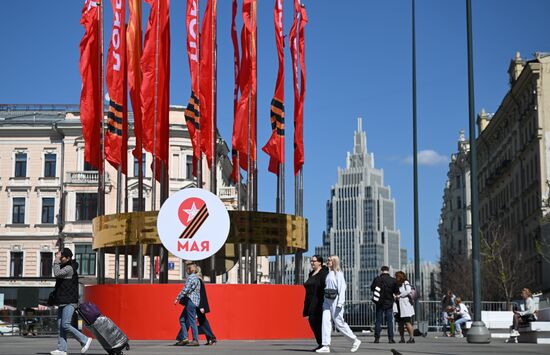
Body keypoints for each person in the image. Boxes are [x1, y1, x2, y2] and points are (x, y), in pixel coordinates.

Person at [50, 248, 92, 355]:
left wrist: (56, 259)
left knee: (65, 325)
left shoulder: (69, 268)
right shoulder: (65, 266)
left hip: (70, 301)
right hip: (62, 300)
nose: (60, 258)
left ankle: (85, 339)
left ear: (68, 258)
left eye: (62, 257)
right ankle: (62, 349)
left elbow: (57, 273)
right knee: (60, 326)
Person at [317, 255, 361, 353]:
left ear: (334, 262)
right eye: (327, 260)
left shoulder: (339, 274)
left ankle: (355, 340)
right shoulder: (328, 273)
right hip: (327, 301)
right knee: (325, 322)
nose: (327, 261)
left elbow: (342, 289)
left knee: (339, 323)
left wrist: (340, 303)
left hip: (336, 301)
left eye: (329, 260)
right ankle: (325, 345)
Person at [303, 255, 328, 351]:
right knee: (313, 322)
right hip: (310, 301)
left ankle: (323, 343)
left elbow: (324, 287)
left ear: (320, 262)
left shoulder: (323, 273)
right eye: (311, 261)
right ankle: (321, 343)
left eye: (314, 261)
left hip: (318, 301)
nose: (312, 263)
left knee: (316, 321)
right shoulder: (311, 273)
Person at [174, 262, 201, 346]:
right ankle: (185, 338)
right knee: (182, 319)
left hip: (191, 301)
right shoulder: (197, 278)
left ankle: (195, 340)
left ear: (190, 269)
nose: (186, 271)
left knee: (192, 321)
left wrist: (177, 298)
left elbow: (186, 289)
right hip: (194, 301)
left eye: (186, 269)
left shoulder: (191, 278)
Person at [370, 265, 399, 344]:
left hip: (379, 302)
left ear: (381, 271)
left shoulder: (377, 279)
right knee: (390, 321)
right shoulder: (393, 280)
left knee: (378, 321)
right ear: (388, 271)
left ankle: (377, 338)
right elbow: (396, 291)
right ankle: (390, 338)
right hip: (389, 303)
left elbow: (372, 288)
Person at [196, 266, 217, 345]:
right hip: (200, 305)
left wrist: (201, 306)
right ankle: (210, 339)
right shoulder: (200, 280)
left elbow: (201, 294)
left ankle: (212, 338)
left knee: (203, 322)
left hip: (199, 305)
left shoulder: (198, 280)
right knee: (203, 322)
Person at [393, 271, 415, 343]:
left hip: (405, 305)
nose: (395, 277)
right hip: (398, 304)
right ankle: (402, 338)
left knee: (407, 322)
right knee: (400, 323)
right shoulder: (396, 284)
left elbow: (408, 291)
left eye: (397, 276)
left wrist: (399, 295)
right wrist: (395, 296)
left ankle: (411, 338)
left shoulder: (405, 282)